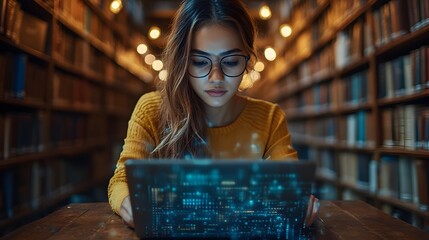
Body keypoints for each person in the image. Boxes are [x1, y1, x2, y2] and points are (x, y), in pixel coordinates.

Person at [108, 0, 319, 229]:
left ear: (248, 60)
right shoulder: (151, 110)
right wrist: (130, 205)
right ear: (182, 61)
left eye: (230, 62)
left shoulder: (269, 118)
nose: (216, 77)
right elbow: (121, 182)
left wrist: (299, 201)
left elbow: (291, 187)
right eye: (200, 62)